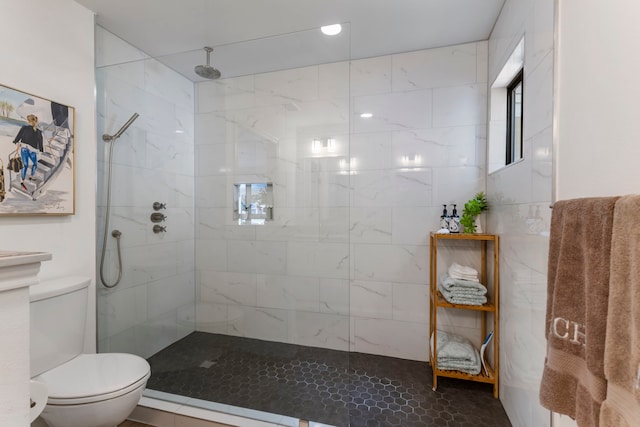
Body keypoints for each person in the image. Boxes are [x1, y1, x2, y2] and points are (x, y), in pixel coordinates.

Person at [13, 114, 43, 191]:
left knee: (26, 165)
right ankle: (28, 178)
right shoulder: (38, 131)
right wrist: (41, 150)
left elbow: (18, 137)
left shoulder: (25, 128)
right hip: (30, 150)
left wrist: (16, 142)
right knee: (33, 164)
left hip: (26, 149)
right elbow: (40, 142)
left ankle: (24, 180)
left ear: (29, 121)